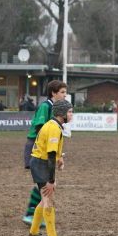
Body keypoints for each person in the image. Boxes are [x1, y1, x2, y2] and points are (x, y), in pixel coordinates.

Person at [27, 99, 74, 236]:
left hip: (40, 162)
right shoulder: (54, 127)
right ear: (62, 113)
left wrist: (60, 158)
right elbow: (51, 154)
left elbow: (53, 152)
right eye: (70, 112)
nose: (72, 115)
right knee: (48, 199)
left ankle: (34, 234)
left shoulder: (54, 125)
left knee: (44, 198)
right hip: (41, 164)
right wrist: (51, 180)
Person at [21, 80, 68, 227]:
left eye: (65, 92)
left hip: (44, 148)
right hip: (36, 147)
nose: (65, 95)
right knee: (44, 182)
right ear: (53, 93)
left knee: (44, 182)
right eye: (62, 92)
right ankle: (31, 214)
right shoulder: (45, 106)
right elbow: (39, 127)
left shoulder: (56, 108)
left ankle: (33, 214)